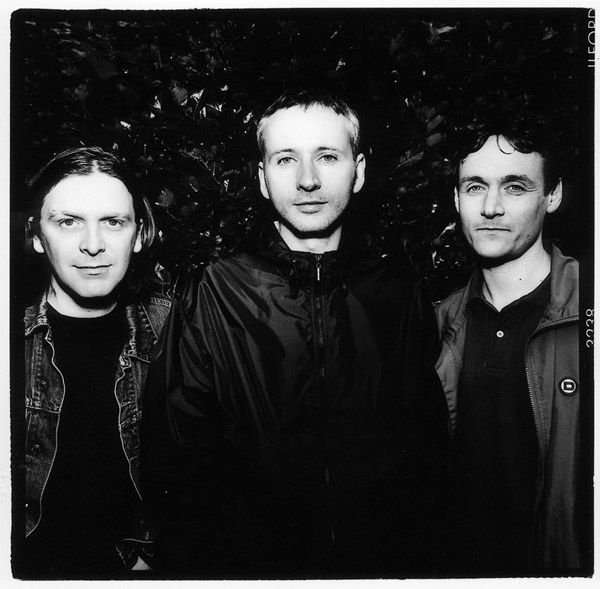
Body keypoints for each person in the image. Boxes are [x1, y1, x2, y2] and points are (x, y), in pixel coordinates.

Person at [141, 89, 448, 578]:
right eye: (286, 159)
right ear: (263, 179)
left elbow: (427, 459)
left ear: (358, 171)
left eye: (327, 156)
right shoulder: (214, 292)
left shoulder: (397, 295)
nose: (308, 180)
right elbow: (179, 462)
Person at [435, 117, 586, 574]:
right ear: (457, 199)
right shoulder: (435, 325)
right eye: (475, 187)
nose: (491, 207)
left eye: (515, 187)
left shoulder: (588, 310)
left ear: (552, 196)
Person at [21, 147, 171, 578]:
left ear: (139, 235)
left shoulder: (176, 330)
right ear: (37, 236)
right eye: (68, 222)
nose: (92, 244)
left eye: (113, 222)